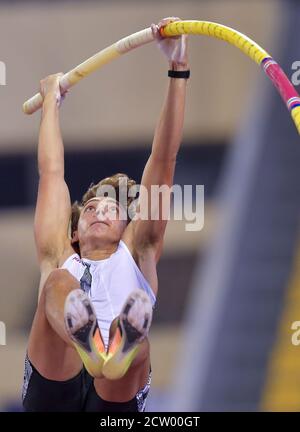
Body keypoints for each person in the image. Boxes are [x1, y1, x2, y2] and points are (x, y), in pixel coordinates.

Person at [22, 17, 189, 412]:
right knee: (57, 281)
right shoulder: (60, 256)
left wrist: (178, 69)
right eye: (91, 208)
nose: (99, 211)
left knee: (139, 339)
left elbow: (163, 159)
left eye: (113, 209)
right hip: (56, 383)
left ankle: (114, 349)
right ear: (74, 232)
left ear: (127, 228)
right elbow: (52, 173)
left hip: (115, 395)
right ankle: (94, 346)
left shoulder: (139, 252)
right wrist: (51, 105)